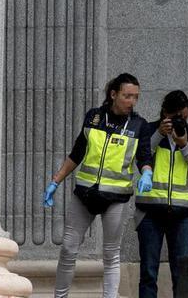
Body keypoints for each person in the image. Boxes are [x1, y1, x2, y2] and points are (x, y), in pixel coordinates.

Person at [43, 73, 155, 298]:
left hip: (116, 198)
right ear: (114, 94)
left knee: (111, 254)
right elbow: (77, 152)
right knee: (68, 249)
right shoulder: (94, 117)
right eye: (127, 96)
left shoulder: (139, 125)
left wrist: (147, 173)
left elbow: (144, 157)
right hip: (84, 193)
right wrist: (55, 181)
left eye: (135, 97)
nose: (132, 101)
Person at [133, 90, 188, 298]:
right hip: (150, 213)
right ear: (166, 113)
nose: (181, 120)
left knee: (182, 274)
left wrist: (184, 145)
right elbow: (141, 157)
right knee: (148, 272)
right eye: (177, 116)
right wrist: (158, 133)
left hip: (182, 215)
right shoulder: (148, 130)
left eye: (185, 115)